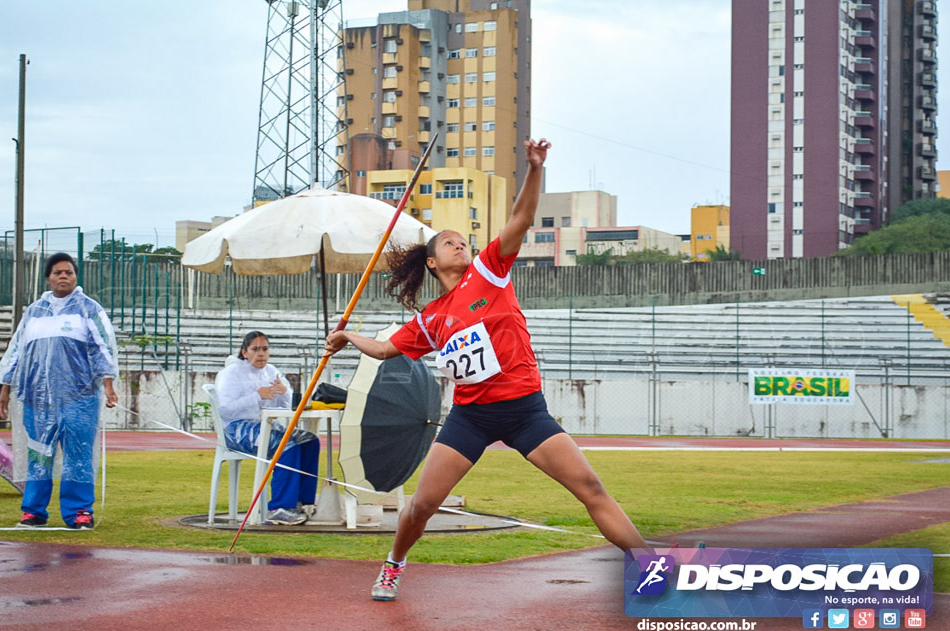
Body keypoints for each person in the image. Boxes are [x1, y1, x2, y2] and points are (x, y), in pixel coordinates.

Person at [326, 138, 651, 601]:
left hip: (524, 411)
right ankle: (394, 564)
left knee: (591, 487)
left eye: (465, 241)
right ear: (433, 261)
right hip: (470, 418)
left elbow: (520, 219)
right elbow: (381, 349)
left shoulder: (489, 273)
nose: (462, 245)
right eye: (450, 243)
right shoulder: (429, 319)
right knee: (421, 505)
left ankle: (653, 566)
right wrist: (345, 337)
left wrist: (535, 169)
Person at [0, 252, 119, 529]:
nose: (63, 276)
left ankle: (79, 512)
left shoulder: (89, 309)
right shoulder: (35, 312)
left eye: (69, 272)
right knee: (39, 455)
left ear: (76, 277)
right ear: (48, 278)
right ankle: (33, 511)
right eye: (57, 272)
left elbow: (102, 348)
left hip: (79, 398)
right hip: (37, 400)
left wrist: (109, 384)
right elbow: (16, 350)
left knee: (77, 454)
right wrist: (5, 388)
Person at [215, 331, 320, 525]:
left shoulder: (271, 371)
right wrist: (257, 395)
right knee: (286, 443)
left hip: (266, 426)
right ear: (244, 352)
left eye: (264, 349)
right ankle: (279, 508)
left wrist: (284, 392)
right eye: (255, 349)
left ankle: (302, 502)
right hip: (236, 430)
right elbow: (225, 408)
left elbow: (289, 404)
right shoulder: (231, 374)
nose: (261, 354)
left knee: (309, 440)